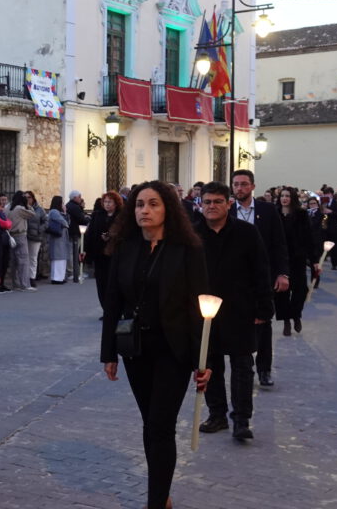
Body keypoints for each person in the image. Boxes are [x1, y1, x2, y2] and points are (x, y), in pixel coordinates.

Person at [100, 181, 210, 509]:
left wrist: (205, 360)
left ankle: (156, 500)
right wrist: (109, 353)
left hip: (173, 350)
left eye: (153, 204)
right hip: (136, 350)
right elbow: (113, 302)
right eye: (139, 204)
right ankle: (161, 495)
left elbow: (200, 306)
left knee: (161, 425)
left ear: (168, 210)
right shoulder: (125, 247)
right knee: (151, 424)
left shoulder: (186, 249)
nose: (144, 210)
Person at [194, 182, 273, 442]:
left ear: (228, 204)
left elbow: (261, 270)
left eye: (218, 201)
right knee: (209, 364)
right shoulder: (192, 234)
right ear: (200, 204)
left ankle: (241, 420)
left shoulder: (246, 232)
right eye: (207, 202)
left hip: (240, 309)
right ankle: (217, 415)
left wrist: (264, 307)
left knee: (242, 366)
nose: (212, 206)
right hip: (205, 312)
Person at [230, 169, 288, 388]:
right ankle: (244, 367)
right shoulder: (227, 210)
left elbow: (279, 243)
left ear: (252, 186)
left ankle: (264, 369)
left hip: (263, 277)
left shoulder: (268, 210)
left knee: (263, 324)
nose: (240, 188)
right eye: (236, 184)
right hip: (235, 279)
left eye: (244, 184)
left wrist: (282, 273)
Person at [276, 187, 318, 334]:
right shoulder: (275, 213)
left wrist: (314, 260)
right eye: (282, 196)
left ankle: (296, 315)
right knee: (281, 292)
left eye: (287, 196)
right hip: (280, 258)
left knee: (300, 290)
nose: (284, 198)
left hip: (297, 258)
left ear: (292, 198)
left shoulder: (301, 214)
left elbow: (309, 237)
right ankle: (286, 320)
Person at [83, 191, 123, 305]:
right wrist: (86, 250)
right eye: (105, 202)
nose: (107, 204)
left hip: (115, 255)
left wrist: (111, 236)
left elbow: (124, 233)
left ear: (116, 203)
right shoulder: (97, 215)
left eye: (110, 202)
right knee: (101, 282)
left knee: (113, 282)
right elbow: (90, 233)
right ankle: (105, 307)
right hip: (99, 254)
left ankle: (114, 307)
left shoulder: (121, 216)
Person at [7, 192, 38, 291]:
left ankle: (15, 284)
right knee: (23, 260)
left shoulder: (7, 208)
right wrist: (27, 205)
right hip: (20, 235)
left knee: (13, 261)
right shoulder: (19, 209)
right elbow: (32, 214)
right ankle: (25, 285)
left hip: (10, 236)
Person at [66, 190, 90, 283]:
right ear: (75, 198)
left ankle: (73, 271)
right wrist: (86, 219)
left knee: (72, 252)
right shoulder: (75, 207)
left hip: (72, 231)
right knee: (74, 252)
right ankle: (73, 272)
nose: (80, 198)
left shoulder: (69, 205)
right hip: (75, 232)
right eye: (79, 197)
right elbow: (81, 219)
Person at [24, 191, 48, 287]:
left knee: (33, 258)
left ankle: (32, 277)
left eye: (29, 197)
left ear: (33, 198)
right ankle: (24, 277)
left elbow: (46, 221)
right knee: (24, 257)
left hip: (35, 236)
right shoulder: (22, 208)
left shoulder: (39, 209)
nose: (27, 199)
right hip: (24, 235)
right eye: (25, 197)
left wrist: (39, 229)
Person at [46, 196, 71, 284]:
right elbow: (64, 222)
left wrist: (65, 212)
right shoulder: (54, 212)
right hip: (57, 237)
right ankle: (57, 278)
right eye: (62, 202)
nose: (63, 205)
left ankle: (60, 277)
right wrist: (64, 215)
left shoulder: (58, 212)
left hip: (61, 237)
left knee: (61, 257)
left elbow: (67, 222)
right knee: (58, 257)